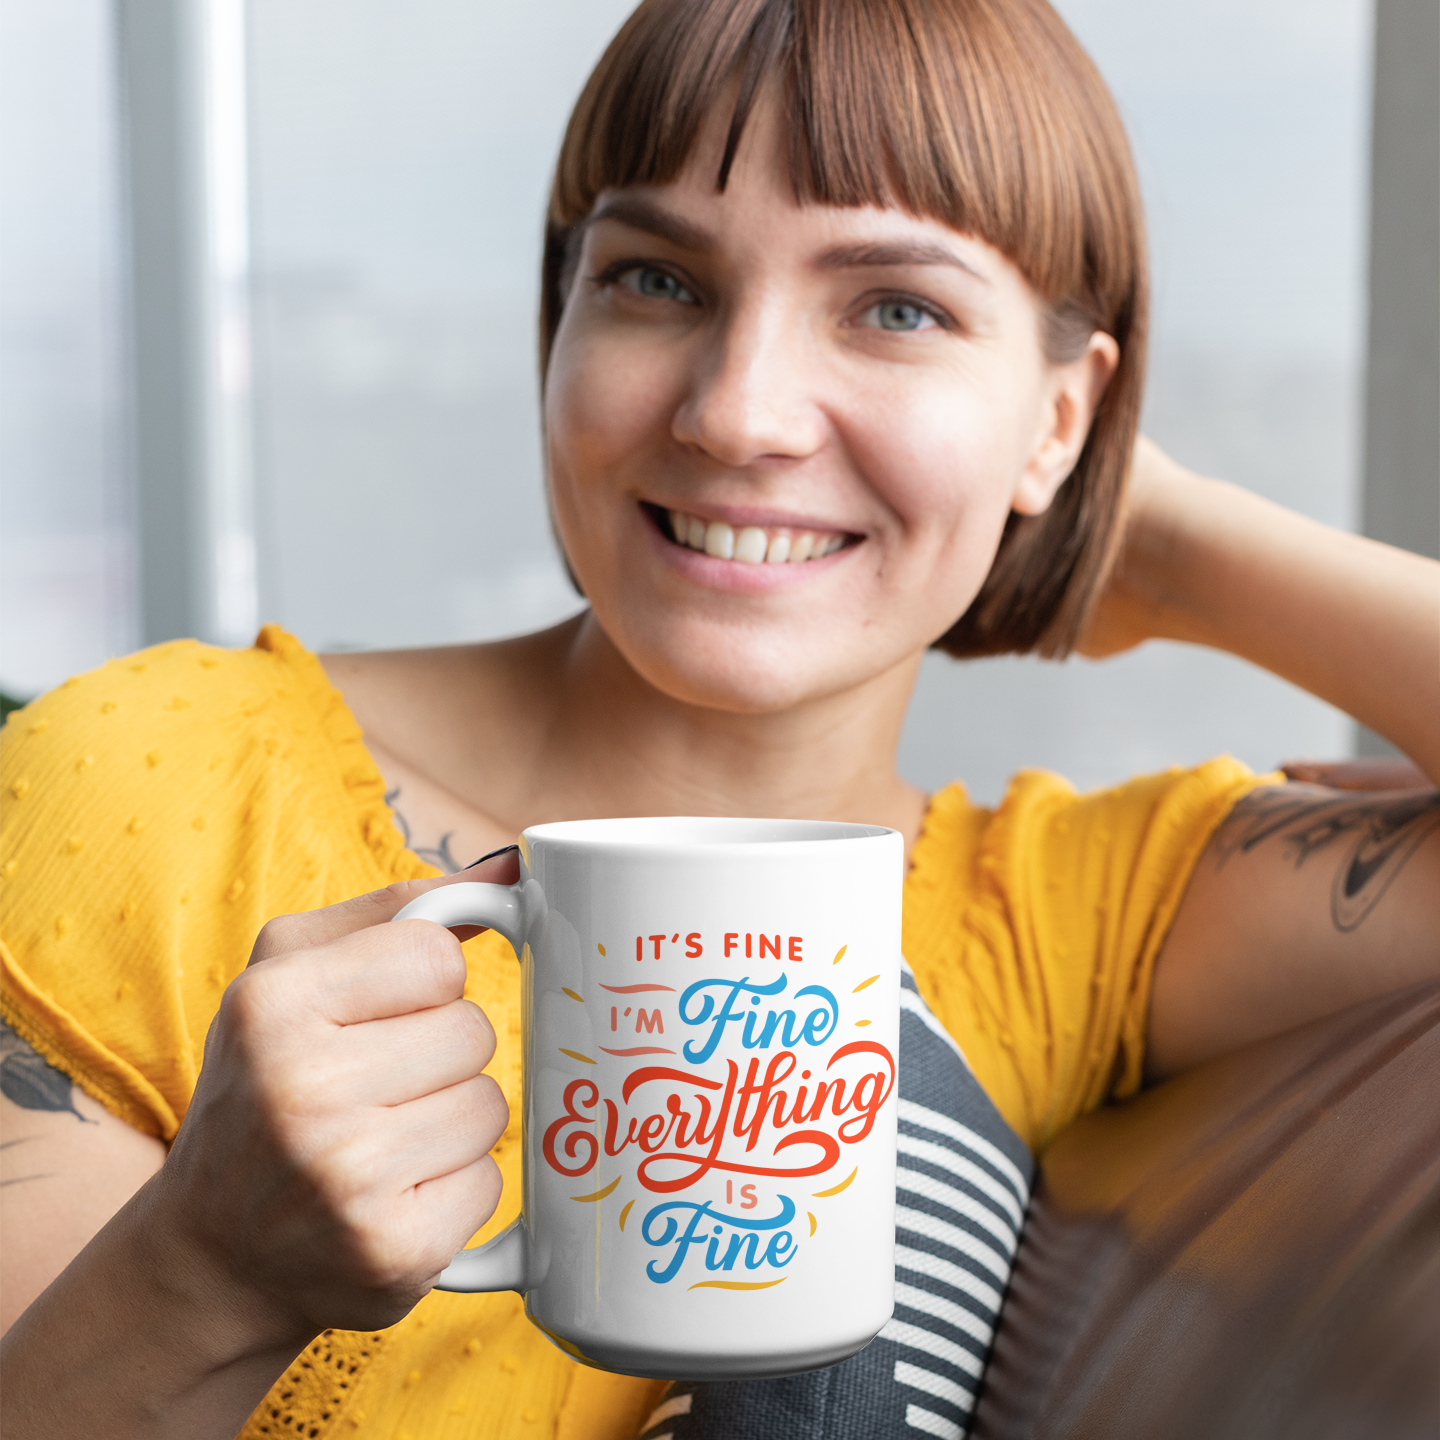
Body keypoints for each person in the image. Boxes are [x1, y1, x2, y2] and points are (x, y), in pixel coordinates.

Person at [2, 0, 1436, 1436]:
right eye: (656, 282)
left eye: (898, 308)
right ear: (560, 321)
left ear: (1058, 418)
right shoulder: (147, 774)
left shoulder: (1063, 917)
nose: (740, 413)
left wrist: (1174, 540)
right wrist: (205, 1273)